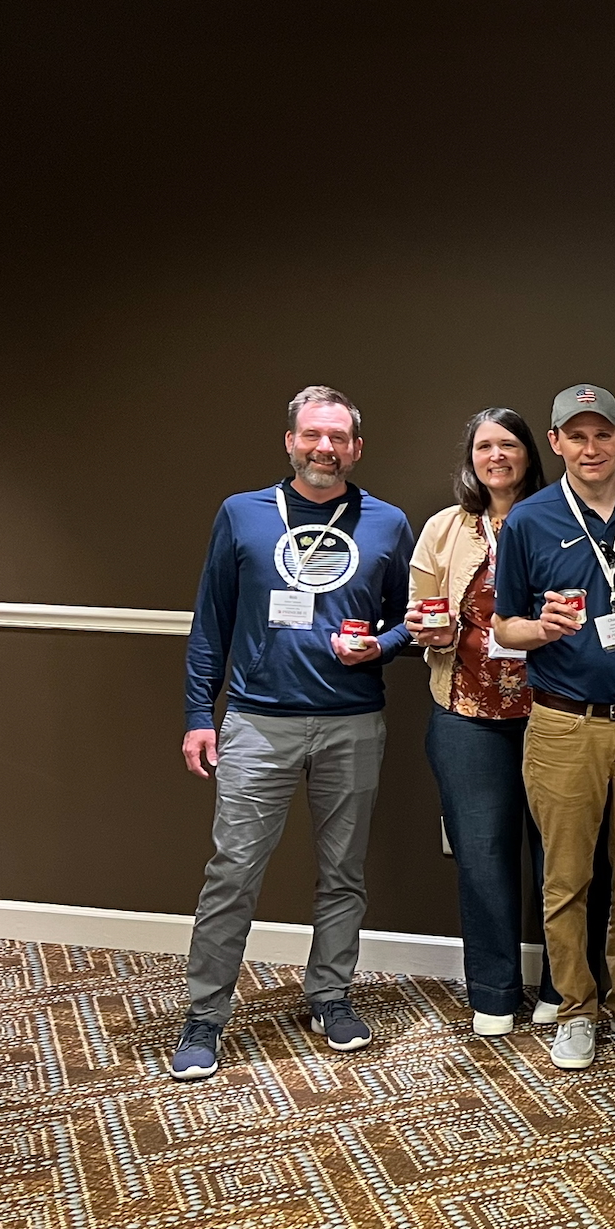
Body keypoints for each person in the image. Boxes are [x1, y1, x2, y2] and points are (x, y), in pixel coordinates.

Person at [170, 385, 414, 1080]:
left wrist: (381, 646)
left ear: (356, 448)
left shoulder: (387, 522)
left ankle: (330, 995)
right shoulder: (242, 514)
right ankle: (205, 1014)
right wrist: (198, 714)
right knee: (233, 872)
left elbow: (410, 619)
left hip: (352, 722)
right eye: (312, 434)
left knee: (343, 873)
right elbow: (211, 620)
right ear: (290, 441)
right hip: (256, 722)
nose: (324, 448)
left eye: (338, 437)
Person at [492, 385, 615, 1072]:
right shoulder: (529, 520)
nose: (591, 447)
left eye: (603, 434)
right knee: (567, 877)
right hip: (565, 724)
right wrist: (538, 629)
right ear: (556, 443)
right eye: (576, 435)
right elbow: (503, 625)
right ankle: (575, 1007)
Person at [407, 406, 555, 1035]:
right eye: (484, 446)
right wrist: (429, 630)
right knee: (482, 855)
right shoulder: (445, 529)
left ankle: (562, 986)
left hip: (552, 713)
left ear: (529, 454)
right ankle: (494, 991)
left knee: (561, 858)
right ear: (471, 458)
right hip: (467, 714)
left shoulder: (557, 520)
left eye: (509, 445)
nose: (497, 456)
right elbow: (420, 611)